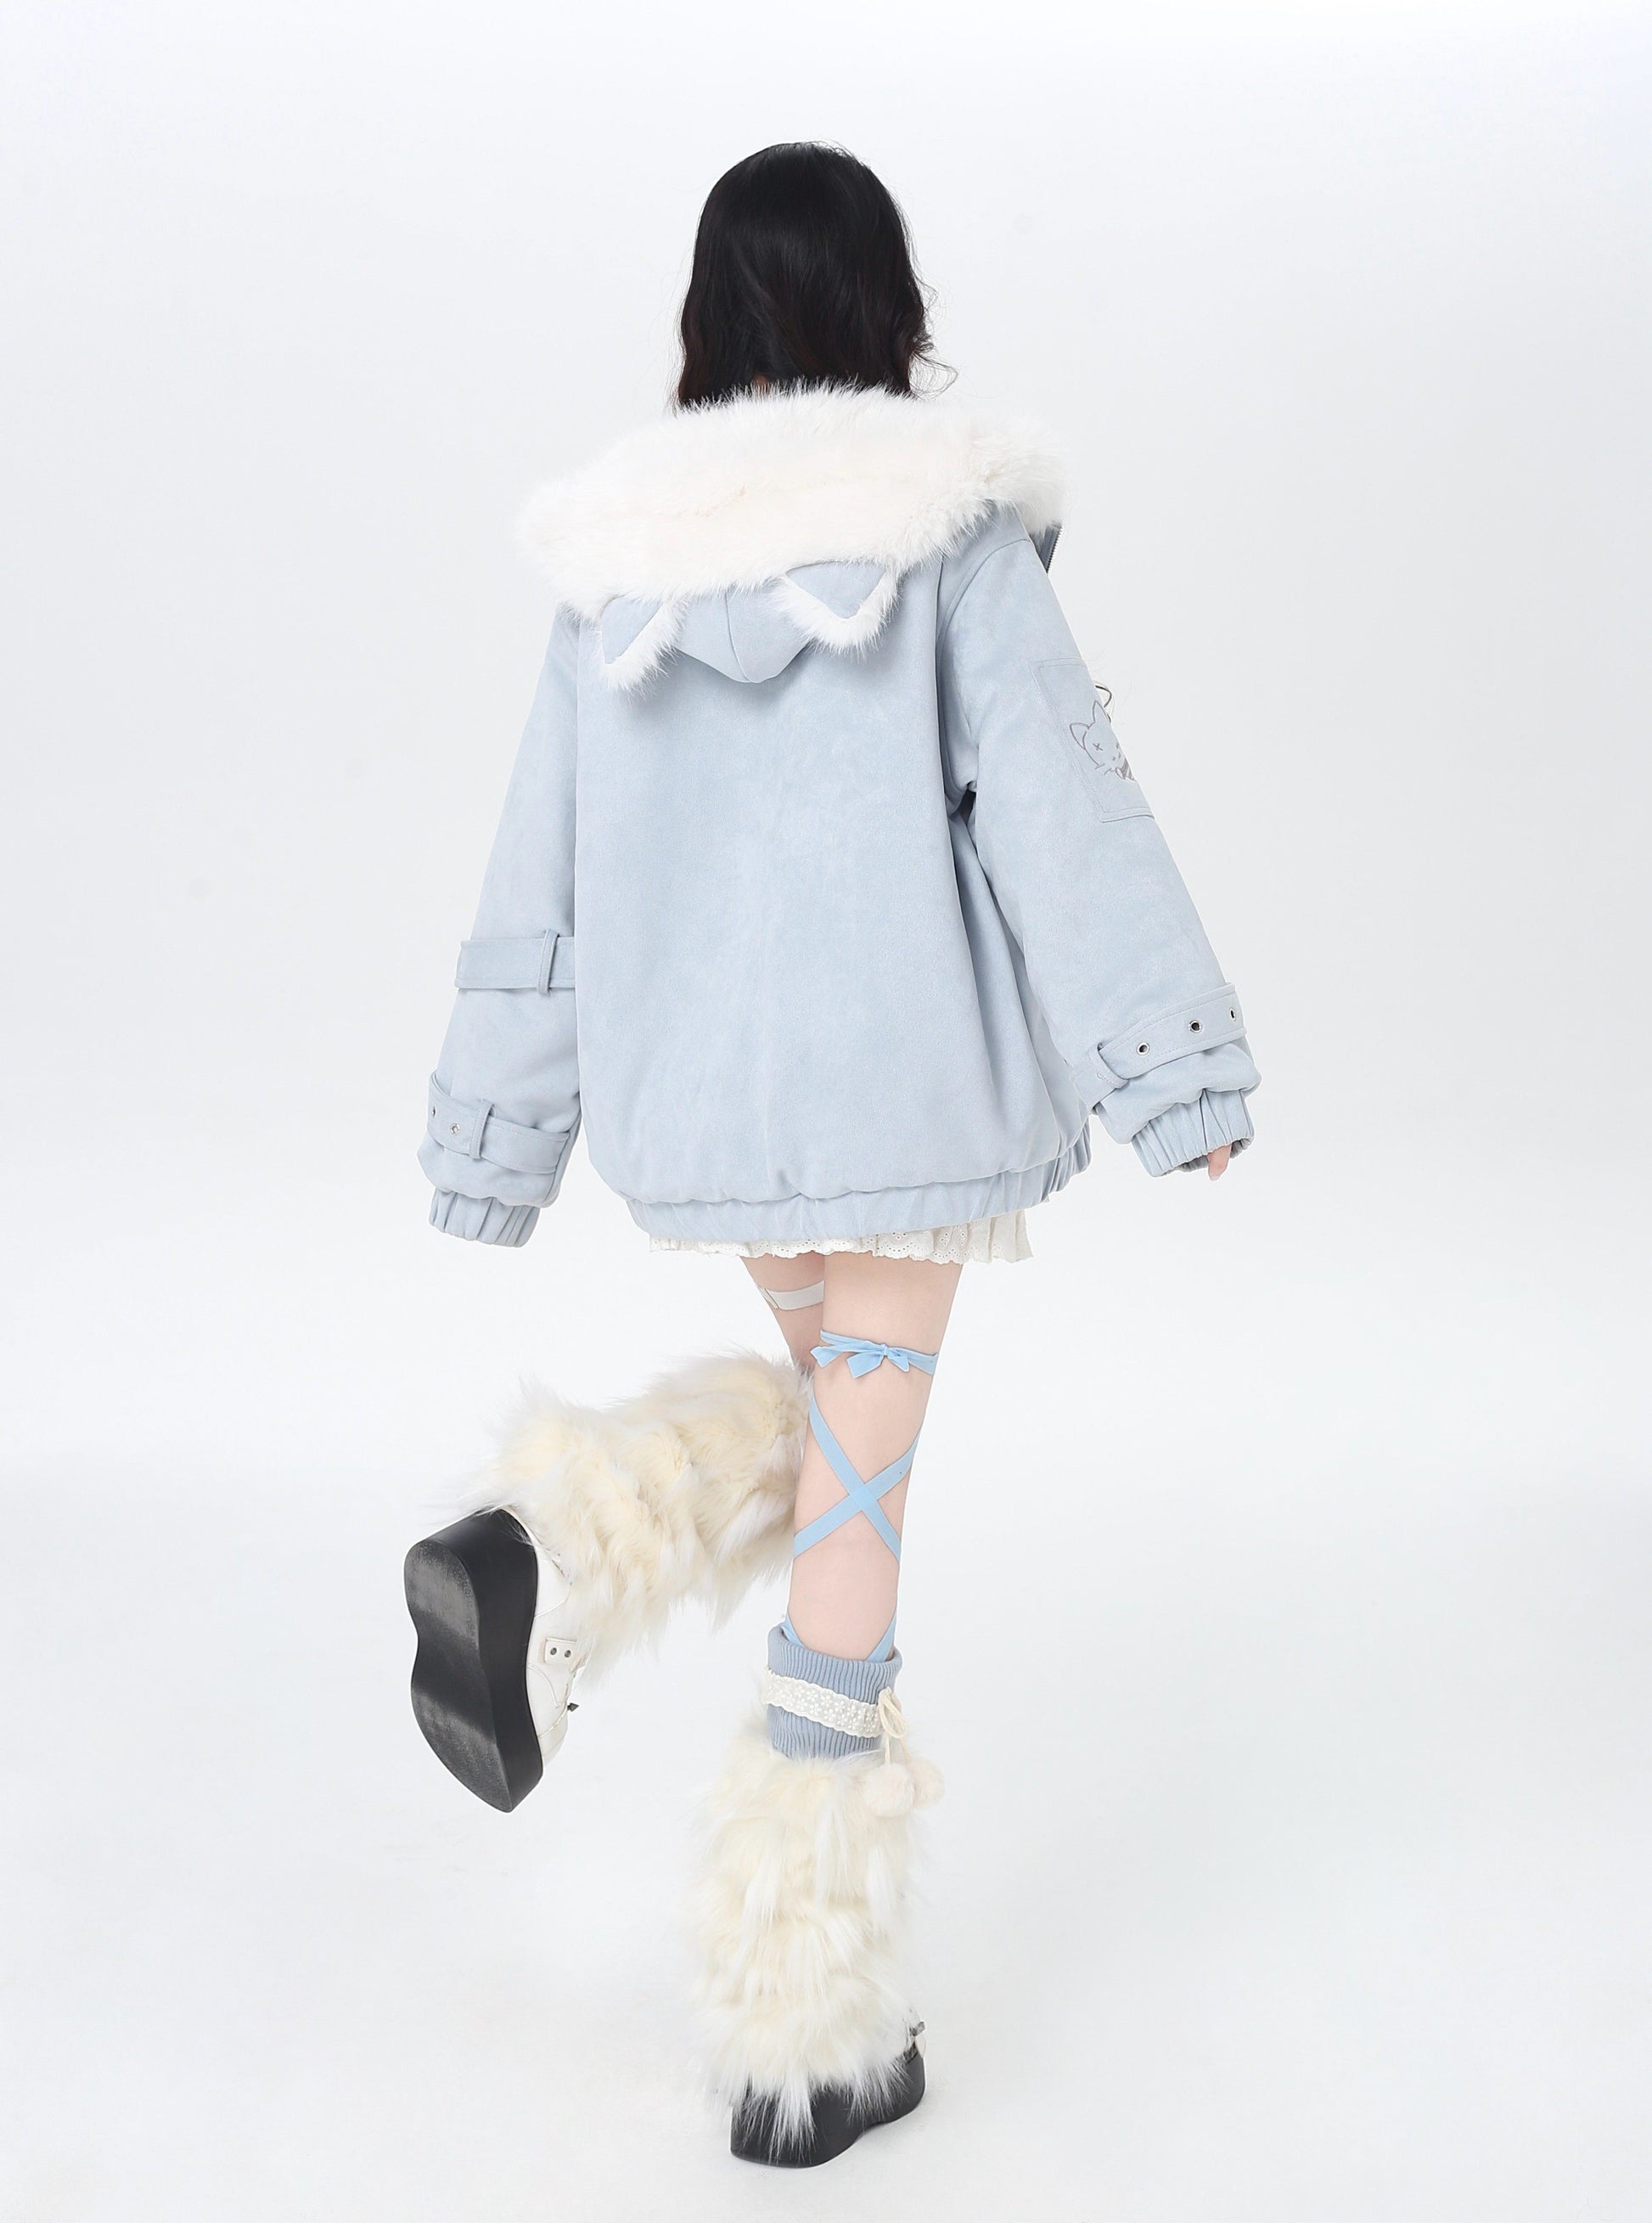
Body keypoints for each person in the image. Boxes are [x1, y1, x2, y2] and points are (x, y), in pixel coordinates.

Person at [402, 141, 1258, 2168]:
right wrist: (1176, 1075)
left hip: (710, 1121)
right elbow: (1064, 816)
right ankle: (804, 2024)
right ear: (890, 306)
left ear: (708, 316)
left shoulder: (613, 577)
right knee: (858, 1506)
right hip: (907, 1116)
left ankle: (567, 1543)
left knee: (839, 1432)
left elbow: (537, 877)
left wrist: (495, 1135)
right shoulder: (945, 542)